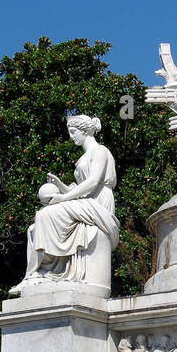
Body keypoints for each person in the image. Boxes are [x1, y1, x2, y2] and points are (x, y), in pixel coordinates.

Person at [10, 114, 119, 293]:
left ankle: (34, 272)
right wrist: (60, 185)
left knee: (44, 214)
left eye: (73, 132)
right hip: (85, 202)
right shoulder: (84, 157)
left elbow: (93, 182)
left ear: (84, 130)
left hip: (98, 203)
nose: (71, 136)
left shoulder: (100, 151)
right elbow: (80, 189)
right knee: (33, 228)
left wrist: (63, 198)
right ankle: (35, 274)